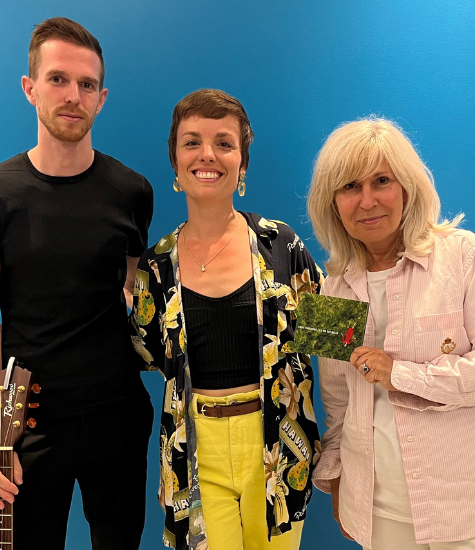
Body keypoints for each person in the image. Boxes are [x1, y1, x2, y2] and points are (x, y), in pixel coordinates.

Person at [0, 17, 154, 550]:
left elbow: (132, 297)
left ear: (102, 98)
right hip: (27, 423)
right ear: (30, 88)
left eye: (87, 84)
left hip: (118, 418)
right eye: (59, 79)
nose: (73, 95)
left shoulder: (132, 191)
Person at [307, 117, 475, 550]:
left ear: (406, 187)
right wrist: (336, 477)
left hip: (471, 507)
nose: (367, 200)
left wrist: (402, 374)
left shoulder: (465, 256)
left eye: (381, 181)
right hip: (379, 511)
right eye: (350, 187)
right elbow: (337, 397)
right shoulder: (331, 288)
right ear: (331, 202)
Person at [129, 89, 323, 550]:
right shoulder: (155, 267)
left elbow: (336, 336)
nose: (207, 155)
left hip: (277, 443)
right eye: (191, 142)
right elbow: (146, 354)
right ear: (175, 163)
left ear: (243, 164)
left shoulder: (282, 245)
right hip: (196, 449)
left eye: (224, 142)